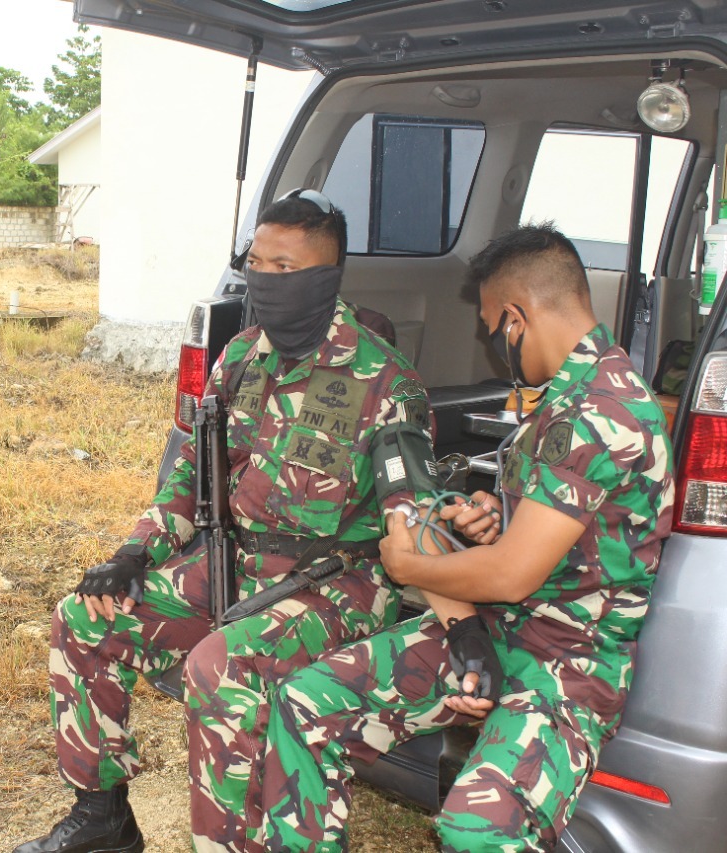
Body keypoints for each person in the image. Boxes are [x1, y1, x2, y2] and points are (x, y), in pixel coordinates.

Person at [14, 190, 433, 853]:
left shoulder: (384, 380)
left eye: (284, 269)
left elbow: (415, 524)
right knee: (86, 615)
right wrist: (135, 553)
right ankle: (102, 819)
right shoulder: (240, 357)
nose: (264, 281)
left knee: (222, 667)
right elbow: (191, 479)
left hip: (334, 582)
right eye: (256, 263)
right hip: (232, 563)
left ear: (326, 277)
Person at [257, 224, 674, 852]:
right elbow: (556, 535)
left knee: (476, 833)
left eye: (489, 328)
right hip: (494, 631)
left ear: (516, 317)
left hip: (564, 663)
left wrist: (409, 565)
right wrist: (490, 520)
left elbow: (512, 576)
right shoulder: (564, 398)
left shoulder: (601, 410)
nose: (490, 342)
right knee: (304, 704)